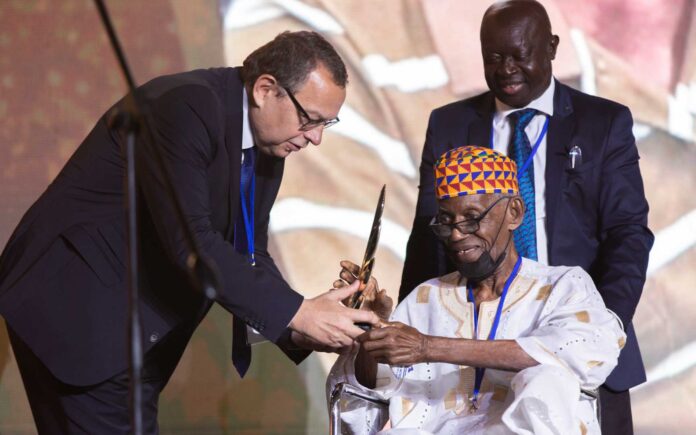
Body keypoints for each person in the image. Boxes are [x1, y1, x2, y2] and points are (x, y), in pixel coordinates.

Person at [0, 31, 378, 433]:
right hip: (79, 313)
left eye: (327, 123)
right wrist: (299, 312)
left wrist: (301, 327)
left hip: (132, 331)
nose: (316, 138)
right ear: (266, 89)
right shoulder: (186, 106)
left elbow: (248, 251)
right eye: (310, 120)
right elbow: (192, 242)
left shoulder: (269, 142)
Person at [400, 1, 653, 432]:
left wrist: (591, 332)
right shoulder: (449, 125)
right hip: (470, 349)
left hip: (576, 340)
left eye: (520, 55)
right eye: (494, 57)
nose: (506, 69)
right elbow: (430, 238)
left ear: (552, 47)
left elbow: (627, 235)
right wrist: (408, 325)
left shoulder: (602, 123)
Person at [330, 146, 625, 434]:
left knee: (548, 379)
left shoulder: (561, 286)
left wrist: (428, 347)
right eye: (446, 222)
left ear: (514, 212)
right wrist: (371, 336)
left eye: (472, 219)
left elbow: (579, 353)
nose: (457, 235)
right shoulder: (425, 298)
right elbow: (365, 404)